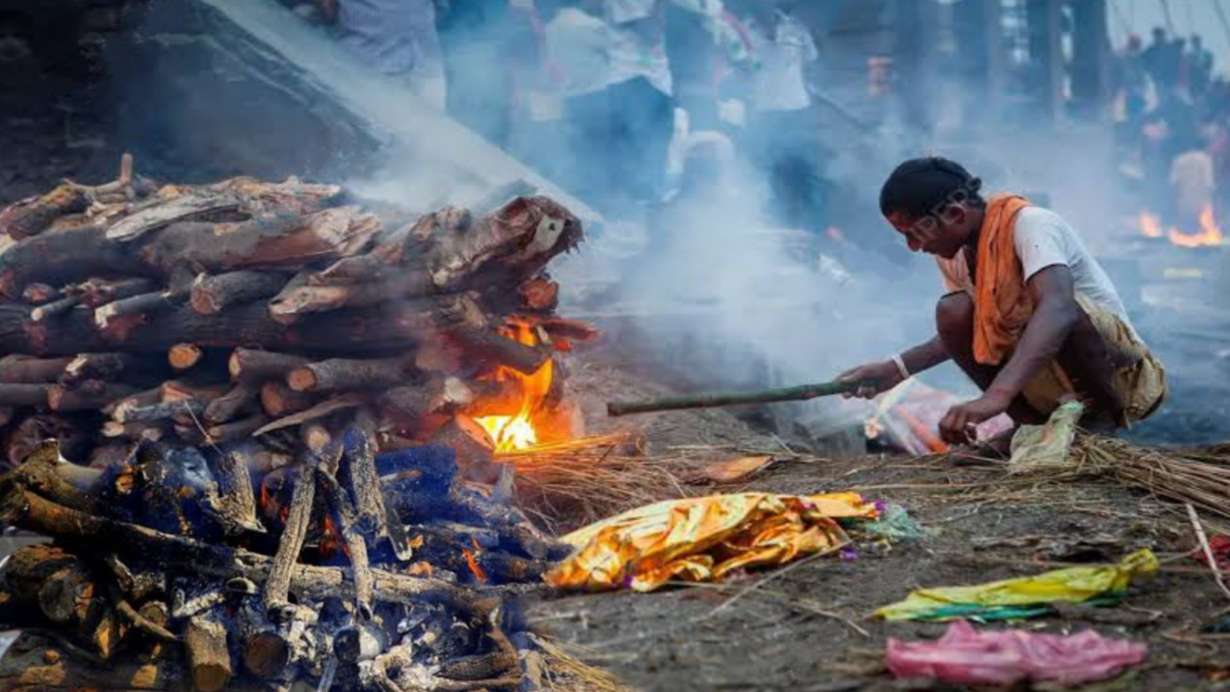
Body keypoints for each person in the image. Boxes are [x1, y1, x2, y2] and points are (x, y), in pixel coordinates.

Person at [838, 157, 1167, 448]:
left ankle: (1098, 421)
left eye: (914, 233)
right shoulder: (952, 256)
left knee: (1055, 308)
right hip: (1044, 377)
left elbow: (1058, 309)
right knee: (953, 311)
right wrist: (896, 368)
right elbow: (970, 329)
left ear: (954, 214)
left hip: (1118, 377)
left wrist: (994, 397)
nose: (912, 246)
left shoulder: (1031, 224)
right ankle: (1028, 424)